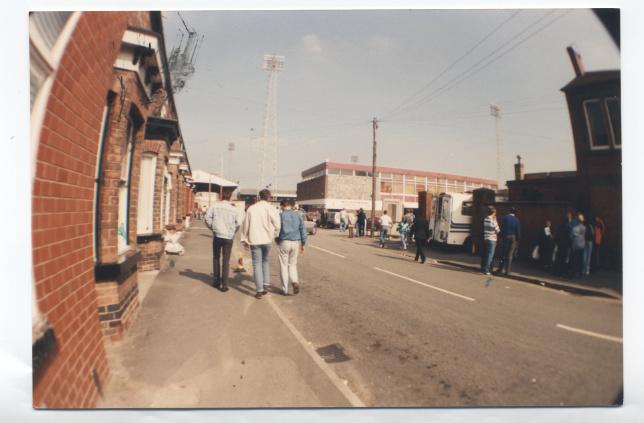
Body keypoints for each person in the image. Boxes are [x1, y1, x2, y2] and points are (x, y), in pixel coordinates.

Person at [240, 189, 281, 299]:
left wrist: (244, 238)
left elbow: (245, 224)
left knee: (256, 264)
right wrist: (276, 235)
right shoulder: (271, 208)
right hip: (267, 239)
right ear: (269, 197)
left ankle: (259, 290)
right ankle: (266, 284)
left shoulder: (251, 209)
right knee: (265, 261)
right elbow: (278, 224)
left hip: (254, 240)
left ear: (259, 197)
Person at [205, 191, 243, 291]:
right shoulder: (234, 210)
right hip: (228, 237)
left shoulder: (214, 206)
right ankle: (224, 284)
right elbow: (238, 223)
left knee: (216, 258)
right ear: (230, 197)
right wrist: (233, 232)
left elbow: (207, 218)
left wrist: (213, 228)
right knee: (226, 260)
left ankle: (216, 281)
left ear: (221, 197)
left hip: (217, 235)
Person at [277, 199, 307, 296]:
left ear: (282, 206)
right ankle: (294, 281)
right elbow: (303, 230)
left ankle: (285, 289)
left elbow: (277, 229)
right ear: (292, 206)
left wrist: (276, 239)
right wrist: (303, 243)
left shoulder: (281, 215)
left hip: (284, 242)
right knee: (293, 265)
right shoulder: (298, 215)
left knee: (283, 265)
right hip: (295, 242)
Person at [495, 207, 520, 275]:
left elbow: (501, 228)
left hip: (505, 237)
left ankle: (500, 269)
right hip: (513, 238)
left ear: (509, 211)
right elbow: (517, 231)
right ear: (515, 212)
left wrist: (500, 237)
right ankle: (507, 271)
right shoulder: (516, 220)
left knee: (503, 253)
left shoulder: (504, 218)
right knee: (510, 254)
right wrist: (517, 240)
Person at [481, 206, 500, 275]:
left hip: (486, 238)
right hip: (492, 239)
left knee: (487, 254)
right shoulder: (492, 220)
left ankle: (485, 268)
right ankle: (486, 270)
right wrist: (495, 221)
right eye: (495, 213)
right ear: (494, 212)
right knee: (490, 255)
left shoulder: (486, 219)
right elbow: (498, 230)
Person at [554, 211, 574, 276]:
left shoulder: (560, 226)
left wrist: (557, 242)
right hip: (566, 246)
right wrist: (571, 245)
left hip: (560, 245)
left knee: (559, 258)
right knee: (565, 259)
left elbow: (557, 235)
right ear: (569, 219)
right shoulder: (569, 227)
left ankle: (557, 272)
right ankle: (563, 273)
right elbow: (570, 238)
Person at [570, 214, 586, 278]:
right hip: (582, 245)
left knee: (575, 260)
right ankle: (580, 273)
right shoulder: (584, 228)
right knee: (581, 260)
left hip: (575, 246)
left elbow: (571, 237)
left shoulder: (574, 228)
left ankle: (574, 272)